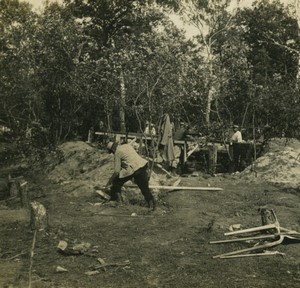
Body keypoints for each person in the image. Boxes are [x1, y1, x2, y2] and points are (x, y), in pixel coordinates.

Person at [105, 141, 156, 210]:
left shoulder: (117, 152)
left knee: (116, 182)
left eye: (112, 152)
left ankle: (119, 201)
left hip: (134, 169)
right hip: (142, 165)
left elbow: (116, 171)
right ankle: (151, 205)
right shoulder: (127, 145)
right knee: (144, 187)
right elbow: (130, 158)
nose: (112, 153)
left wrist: (110, 181)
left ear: (113, 149)